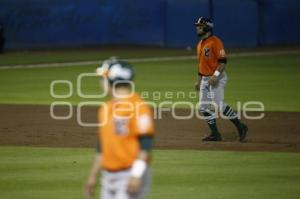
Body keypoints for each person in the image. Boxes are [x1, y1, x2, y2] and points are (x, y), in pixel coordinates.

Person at [84, 57, 155, 199]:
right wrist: (92, 176)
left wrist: (136, 175)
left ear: (112, 80)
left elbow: (145, 145)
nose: (101, 82)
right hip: (107, 176)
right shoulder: (105, 109)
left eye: (103, 78)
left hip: (130, 174)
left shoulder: (138, 107)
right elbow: (101, 147)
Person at [194, 17, 248, 142]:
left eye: (200, 26)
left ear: (207, 27)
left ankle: (241, 127)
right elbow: (200, 64)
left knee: (219, 105)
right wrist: (198, 80)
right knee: (203, 107)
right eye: (197, 26)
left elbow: (223, 62)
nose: (197, 28)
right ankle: (215, 134)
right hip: (205, 79)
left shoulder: (215, 42)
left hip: (218, 78)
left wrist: (215, 76)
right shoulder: (200, 44)